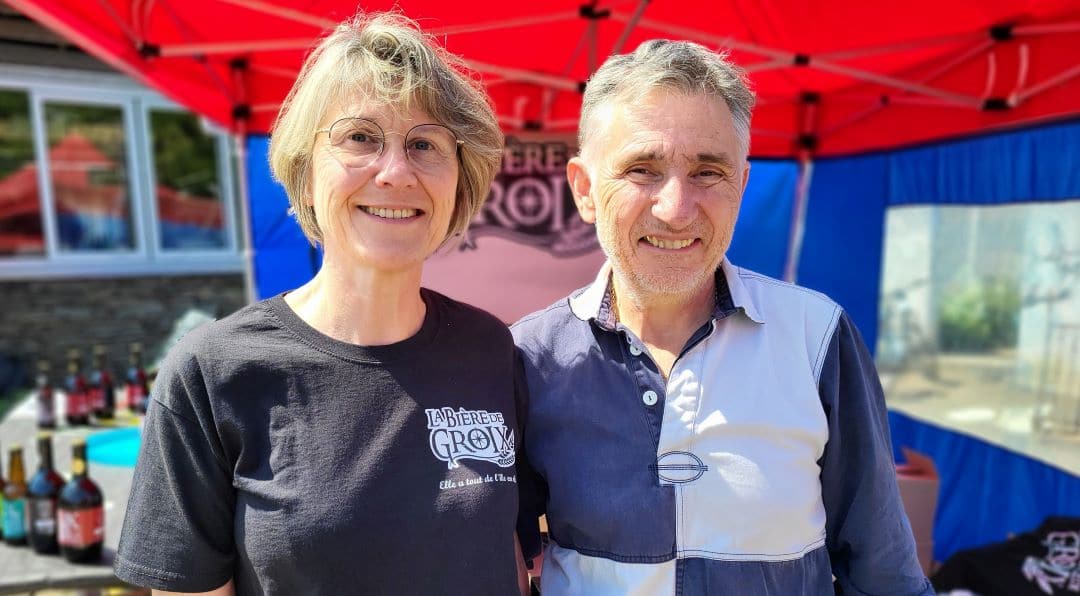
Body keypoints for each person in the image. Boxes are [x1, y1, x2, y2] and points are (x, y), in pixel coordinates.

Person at [114, 12, 536, 595]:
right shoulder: (213, 374)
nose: (395, 171)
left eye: (424, 144)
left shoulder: (491, 351)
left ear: (459, 183)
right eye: (360, 138)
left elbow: (510, 555)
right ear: (305, 172)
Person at [512, 40, 933, 595]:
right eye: (642, 169)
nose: (675, 208)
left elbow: (883, 573)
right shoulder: (531, 357)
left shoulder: (816, 337)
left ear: (741, 185)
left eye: (708, 171)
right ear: (585, 190)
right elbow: (497, 562)